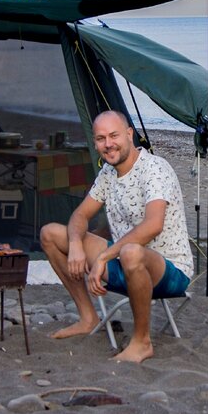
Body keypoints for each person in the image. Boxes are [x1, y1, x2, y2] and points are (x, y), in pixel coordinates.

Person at [39, 110, 193, 363]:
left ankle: (142, 342)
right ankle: (88, 317)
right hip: (123, 262)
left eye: (114, 135)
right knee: (51, 234)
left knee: (130, 252)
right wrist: (76, 244)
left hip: (169, 270)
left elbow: (153, 224)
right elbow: (80, 215)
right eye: (101, 138)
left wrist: (105, 256)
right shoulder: (108, 174)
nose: (108, 144)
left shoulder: (154, 168)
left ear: (130, 135)